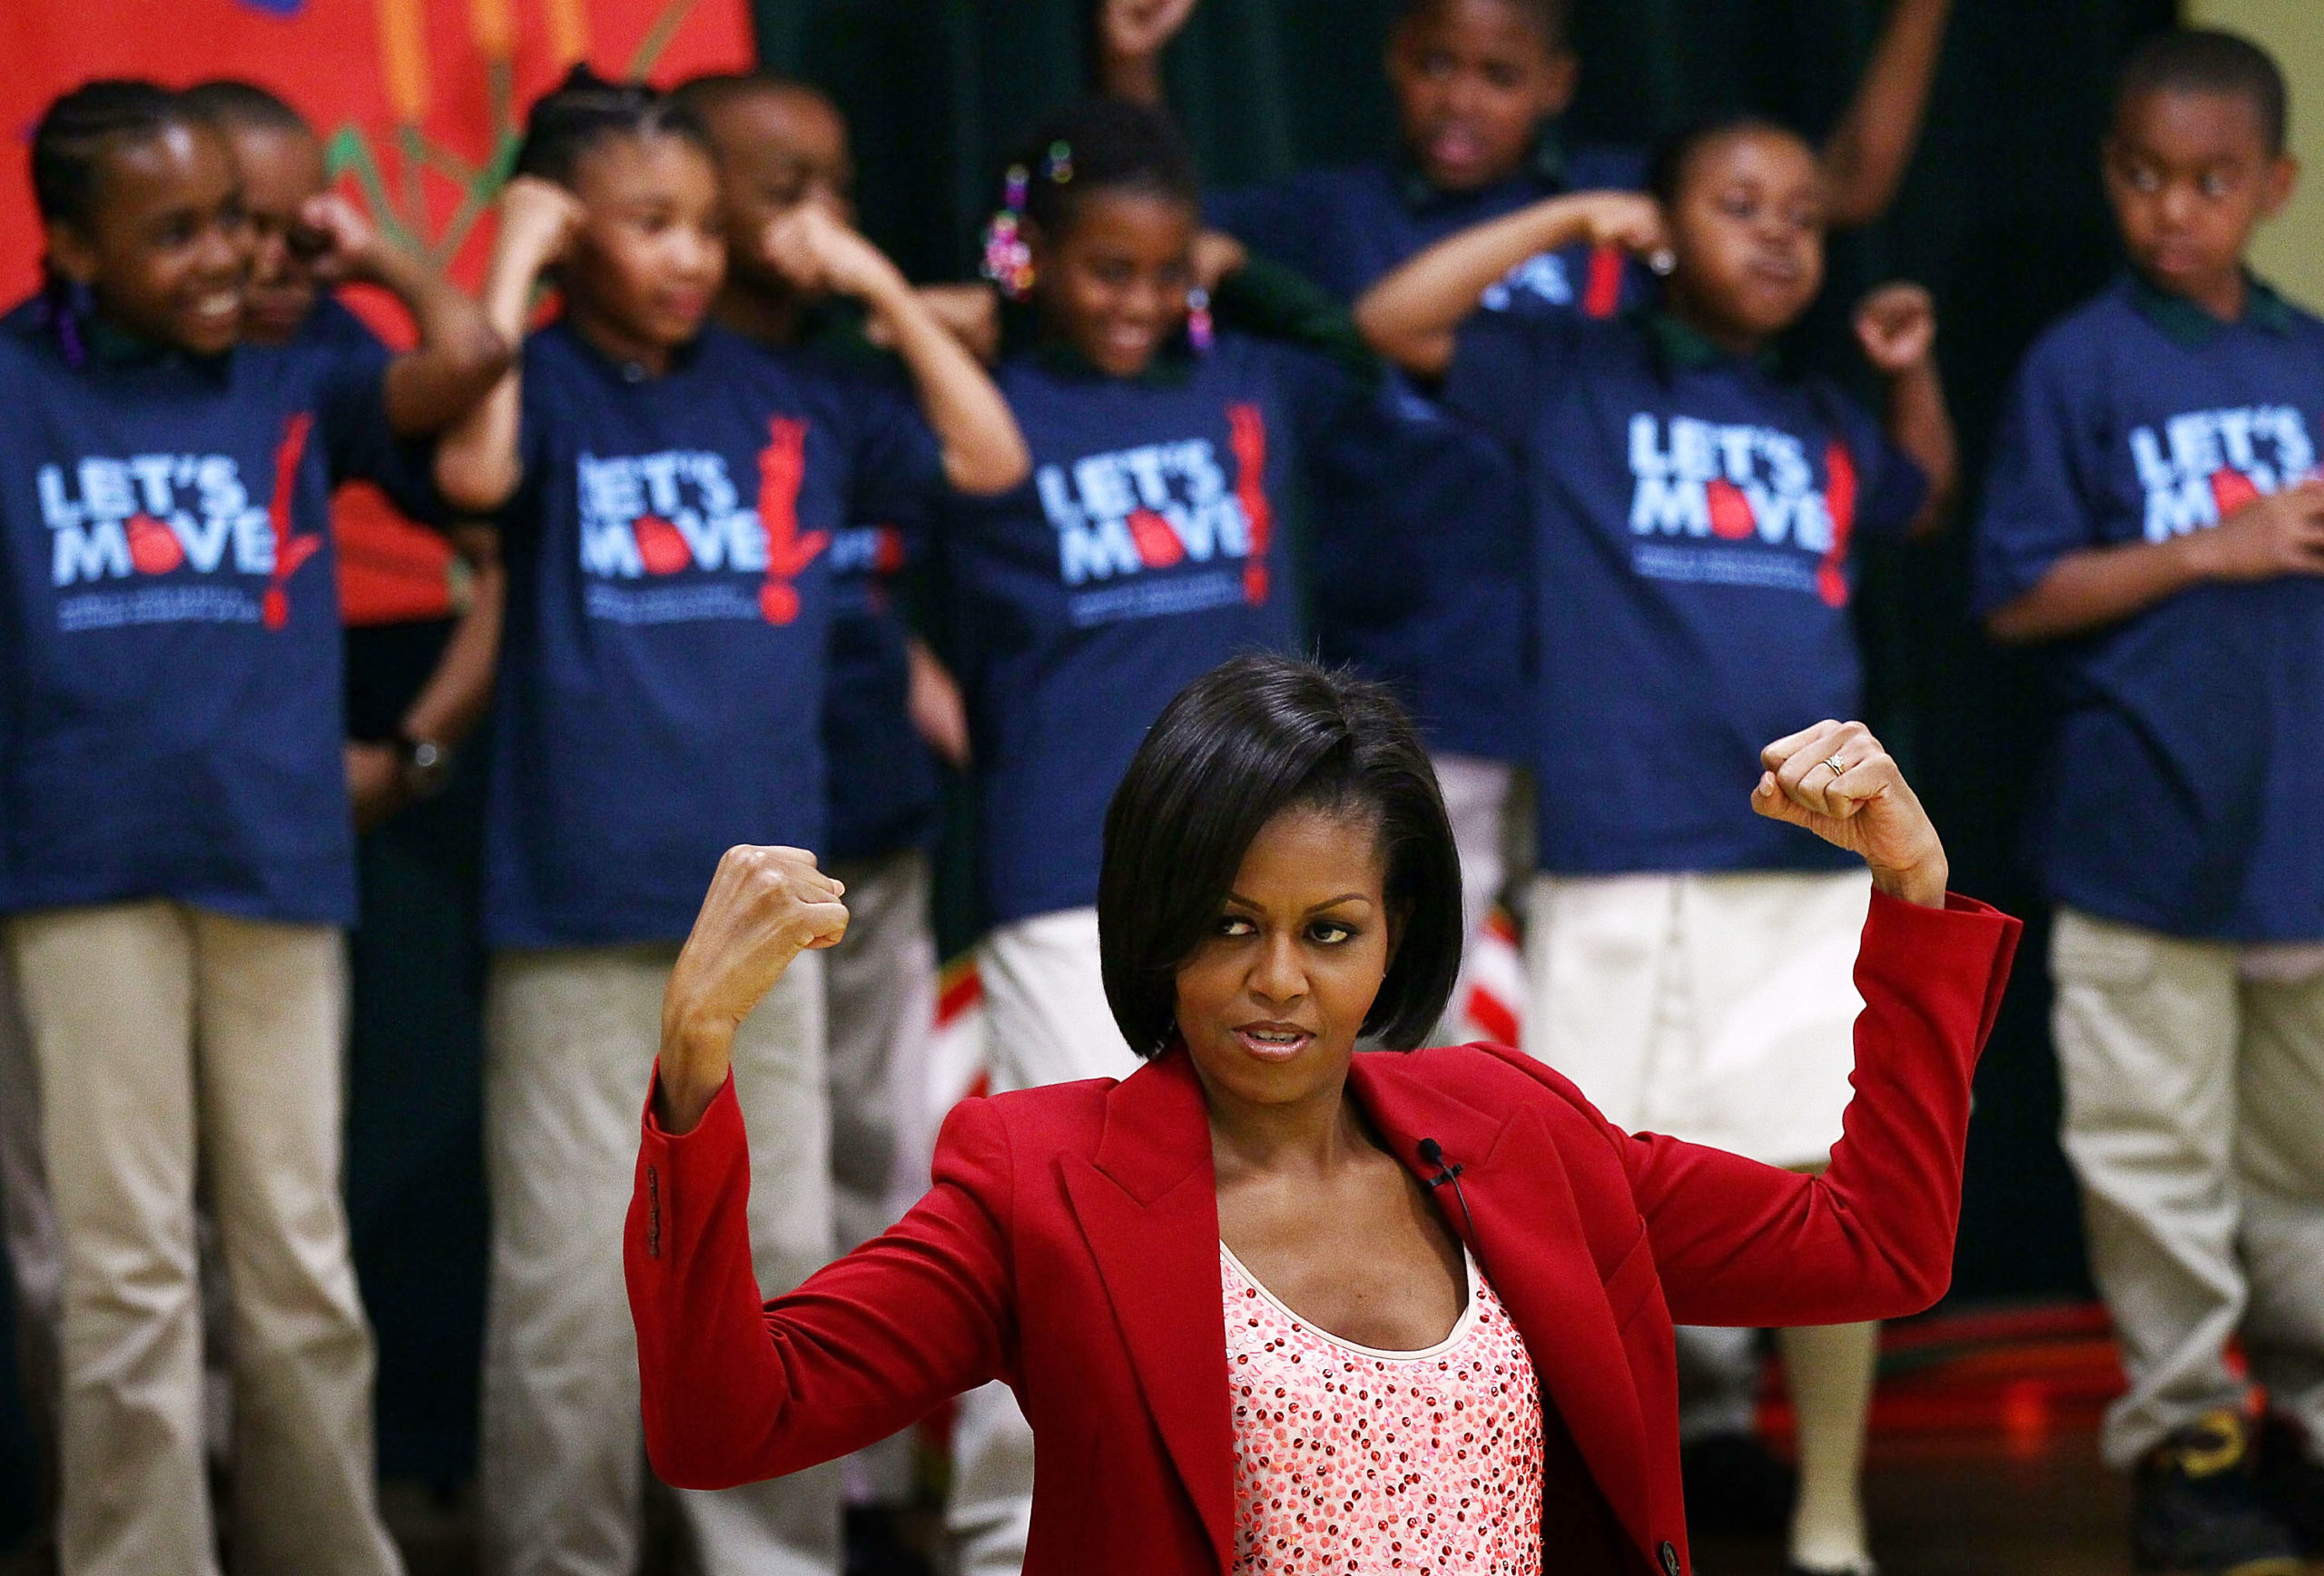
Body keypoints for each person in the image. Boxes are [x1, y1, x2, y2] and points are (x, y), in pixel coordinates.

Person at [623, 651, 2020, 1576]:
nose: (1276, 981)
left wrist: (1911, 894)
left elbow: (1877, 1248)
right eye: (1229, 924)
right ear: (1159, 924)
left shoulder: (1517, 1125)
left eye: (1331, 931)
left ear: (1397, 935)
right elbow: (730, 1425)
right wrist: (694, 1060)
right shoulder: (1034, 1178)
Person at [1099, 0, 1953, 1056]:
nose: (1463, 96)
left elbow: (1842, 185)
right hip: (1418, 663)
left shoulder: (1649, 218)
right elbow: (1160, 223)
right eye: (1436, 65)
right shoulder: (1344, 212)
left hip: (1610, 698)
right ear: (1390, 64)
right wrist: (1133, 71)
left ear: (1555, 83)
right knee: (1403, 1006)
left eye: (1498, 74)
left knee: (1599, 1028)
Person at [432, 66, 1027, 1576]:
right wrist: (511, 256)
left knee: (770, 1266)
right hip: (576, 898)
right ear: (573, 236)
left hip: (765, 903)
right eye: (648, 224)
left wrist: (880, 283)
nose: (692, 255)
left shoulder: (800, 392)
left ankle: (773, 1558)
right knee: (571, 1283)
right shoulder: (545, 383)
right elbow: (472, 468)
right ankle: (559, 1557)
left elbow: (988, 459)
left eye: (705, 224)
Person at [1355, 113, 1956, 1576]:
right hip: (1619, 855)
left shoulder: (1815, 411)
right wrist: (1568, 229)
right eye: (1737, 204)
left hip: (1800, 865)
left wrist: (1909, 371)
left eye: (1803, 213)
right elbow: (1392, 320)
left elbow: (1922, 494)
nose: (1776, 233)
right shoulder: (1576, 376)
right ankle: (1582, 1514)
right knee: (1574, 1198)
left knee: (1828, 1182)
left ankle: (1829, 1511)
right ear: (1665, 225)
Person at [0, 80, 502, 1575]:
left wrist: (376, 262)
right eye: (175, 234)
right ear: (73, 251)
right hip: (80, 864)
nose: (223, 257)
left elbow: (470, 362)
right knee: (126, 1267)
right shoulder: (16, 384)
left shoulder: (293, 371)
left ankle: (323, 1555)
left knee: (295, 1257)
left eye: (235, 217)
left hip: (274, 856)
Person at [931, 94, 1383, 1572]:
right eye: (1100, 268)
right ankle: (1011, 1531)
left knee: (1270, 1199)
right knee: (1062, 1216)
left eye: (1162, 271)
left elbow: (1361, 347)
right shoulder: (986, 406)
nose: (1135, 301)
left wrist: (1232, 265)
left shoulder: (1251, 383)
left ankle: (1272, 1511)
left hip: (1264, 871)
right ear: (1031, 260)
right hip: (1069, 863)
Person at [1974, 29, 2324, 1576]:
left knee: (2304, 1179)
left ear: (2274, 187)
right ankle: (2190, 1447)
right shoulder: (2081, 363)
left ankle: (2303, 1431)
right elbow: (2015, 593)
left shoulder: (2311, 358)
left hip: (2302, 852)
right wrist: (2212, 547)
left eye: (2209, 180)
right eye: (2140, 175)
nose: (2171, 209)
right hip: (2139, 848)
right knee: (2153, 1171)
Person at [182, 77, 509, 1492]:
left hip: (274, 850)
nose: (253, 259)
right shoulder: (45, 372)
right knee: (91, 1249)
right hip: (75, 855)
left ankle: (305, 1526)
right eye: (218, 227)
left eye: (279, 225)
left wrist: (416, 749)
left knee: (285, 1230)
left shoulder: (317, 354)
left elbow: (491, 506)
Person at [675, 68, 971, 1561]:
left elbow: (950, 492)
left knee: (877, 1148)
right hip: (731, 840)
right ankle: (755, 1483)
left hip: (875, 807)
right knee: (751, 1184)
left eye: (837, 185)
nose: (819, 216)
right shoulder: (661, 381)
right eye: (781, 184)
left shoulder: (855, 375)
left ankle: (856, 1473)